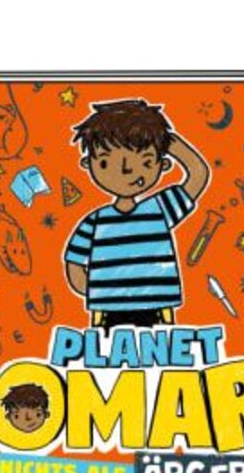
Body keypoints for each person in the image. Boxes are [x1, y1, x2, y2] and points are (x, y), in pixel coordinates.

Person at [63, 99, 209, 329]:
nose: (126, 170)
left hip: (156, 305)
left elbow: (198, 174)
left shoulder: (160, 209)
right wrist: (96, 290)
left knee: (161, 350)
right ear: (87, 163)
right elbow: (74, 260)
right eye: (105, 162)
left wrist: (168, 141)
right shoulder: (95, 222)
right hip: (108, 309)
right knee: (105, 349)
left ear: (163, 165)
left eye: (145, 162)